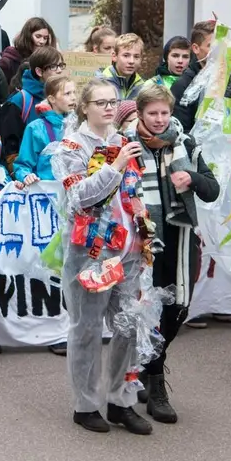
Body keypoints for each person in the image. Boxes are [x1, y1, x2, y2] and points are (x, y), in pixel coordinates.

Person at [53, 77, 158, 435]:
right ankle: (85, 405)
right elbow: (80, 198)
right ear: (84, 107)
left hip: (127, 250)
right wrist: (114, 167)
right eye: (100, 102)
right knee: (86, 328)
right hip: (91, 254)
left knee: (129, 325)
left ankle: (121, 400)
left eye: (113, 101)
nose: (109, 108)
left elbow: (134, 193)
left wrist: (144, 232)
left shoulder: (124, 143)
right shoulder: (69, 147)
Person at [131, 83, 218, 423]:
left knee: (178, 307)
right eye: (152, 113)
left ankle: (147, 363)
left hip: (181, 237)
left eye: (164, 112)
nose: (158, 119)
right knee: (150, 309)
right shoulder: (126, 146)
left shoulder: (185, 143)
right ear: (140, 114)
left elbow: (212, 190)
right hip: (145, 241)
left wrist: (192, 179)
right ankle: (156, 383)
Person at [0, 46, 66, 163]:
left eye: (61, 65)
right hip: (29, 173)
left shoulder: (64, 98)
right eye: (53, 66)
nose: (59, 70)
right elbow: (10, 145)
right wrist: (17, 171)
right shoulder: (19, 101)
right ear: (39, 71)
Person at [12, 76, 74, 183]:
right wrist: (26, 176)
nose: (73, 97)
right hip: (47, 193)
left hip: (74, 193)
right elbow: (22, 165)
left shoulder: (78, 126)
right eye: (67, 94)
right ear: (52, 99)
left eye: (74, 92)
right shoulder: (35, 128)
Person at [0, 17, 57, 86]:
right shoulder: (8, 61)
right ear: (28, 36)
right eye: (38, 36)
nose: (42, 41)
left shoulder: (44, 60)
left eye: (45, 38)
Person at [100, 33, 148, 100]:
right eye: (126, 55)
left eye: (136, 56)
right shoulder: (101, 83)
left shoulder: (143, 87)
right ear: (114, 56)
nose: (131, 61)